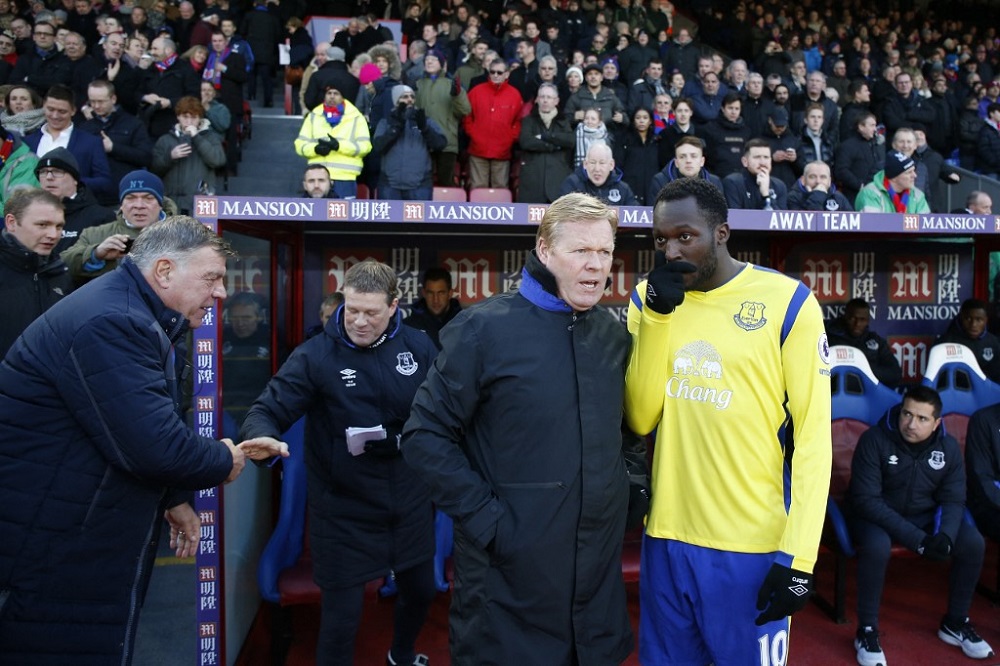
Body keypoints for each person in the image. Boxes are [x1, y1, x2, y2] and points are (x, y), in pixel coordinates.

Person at [0, 215, 287, 663]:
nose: (222, 293)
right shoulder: (114, 322)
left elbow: (123, 426)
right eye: (211, 278)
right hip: (56, 550)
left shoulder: (130, 313)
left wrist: (173, 497)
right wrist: (223, 458)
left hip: (72, 536)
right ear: (165, 271)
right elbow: (154, 445)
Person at [402, 192, 638, 664]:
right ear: (545, 250)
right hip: (505, 600)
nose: (596, 266)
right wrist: (492, 524)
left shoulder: (613, 336)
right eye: (581, 251)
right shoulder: (482, 331)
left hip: (596, 606)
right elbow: (424, 436)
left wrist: (630, 492)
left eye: (605, 252)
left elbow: (626, 433)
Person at [624, 176, 830, 664]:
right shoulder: (647, 299)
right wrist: (655, 318)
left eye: (685, 236)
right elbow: (640, 415)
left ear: (721, 232)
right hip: (667, 539)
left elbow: (814, 438)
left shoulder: (789, 303)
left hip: (752, 547)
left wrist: (800, 558)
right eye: (661, 240)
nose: (672, 251)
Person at [240, 260, 438, 666]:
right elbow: (268, 408)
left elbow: (443, 413)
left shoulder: (419, 346)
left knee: (421, 592)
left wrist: (404, 439)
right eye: (352, 309)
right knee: (341, 621)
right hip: (343, 510)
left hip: (409, 503)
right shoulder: (316, 355)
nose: (359, 321)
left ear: (394, 306)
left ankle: (401, 655)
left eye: (371, 312)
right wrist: (260, 432)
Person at [848, 386, 994, 666]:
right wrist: (920, 540)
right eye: (906, 414)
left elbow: (953, 498)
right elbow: (866, 500)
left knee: (972, 542)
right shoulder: (874, 439)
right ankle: (866, 630)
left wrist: (946, 537)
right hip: (875, 517)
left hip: (923, 516)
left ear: (937, 422)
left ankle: (955, 623)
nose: (911, 424)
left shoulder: (948, 447)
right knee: (877, 547)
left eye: (922, 419)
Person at [60, 169, 170, 283]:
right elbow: (63, 265)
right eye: (130, 198)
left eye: (148, 198)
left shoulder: (182, 232)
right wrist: (95, 254)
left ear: (160, 204)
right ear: (121, 205)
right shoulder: (94, 234)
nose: (139, 205)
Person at [0, 187, 71, 358]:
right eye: (42, 225)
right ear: (11, 223)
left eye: (59, 226)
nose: (53, 235)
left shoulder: (60, 273)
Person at [24, 84, 114, 202]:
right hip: (33, 207)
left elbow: (105, 182)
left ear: (73, 111)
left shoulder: (91, 142)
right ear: (43, 107)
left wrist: (72, 181)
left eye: (62, 111)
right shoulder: (27, 141)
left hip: (75, 210)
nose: (55, 116)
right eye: (50, 109)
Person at [79, 79, 155, 207]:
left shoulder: (133, 124)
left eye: (101, 101)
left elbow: (146, 157)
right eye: (92, 101)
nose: (96, 106)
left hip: (124, 197)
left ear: (113, 99)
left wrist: (113, 148)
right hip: (93, 199)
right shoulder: (85, 127)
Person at [294, 83, 371, 200]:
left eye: (336, 93)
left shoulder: (356, 117)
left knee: (343, 216)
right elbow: (300, 145)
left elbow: (365, 147)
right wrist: (315, 149)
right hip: (317, 178)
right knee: (316, 216)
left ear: (343, 97)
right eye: (329, 93)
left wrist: (339, 146)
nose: (332, 96)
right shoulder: (314, 115)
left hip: (345, 178)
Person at [151, 95, 225, 214]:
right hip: (170, 203)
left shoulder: (211, 137)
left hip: (199, 203)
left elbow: (218, 160)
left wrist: (197, 138)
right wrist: (170, 157)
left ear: (200, 118)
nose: (189, 122)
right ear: (178, 117)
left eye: (194, 117)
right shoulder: (165, 140)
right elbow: (154, 169)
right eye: (185, 117)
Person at [371, 84, 447, 200]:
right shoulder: (385, 122)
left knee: (419, 219)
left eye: (412, 96)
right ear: (396, 101)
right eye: (404, 97)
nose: (410, 99)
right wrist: (396, 127)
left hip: (420, 186)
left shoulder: (425, 121)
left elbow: (440, 144)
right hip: (390, 186)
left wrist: (425, 128)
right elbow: (378, 146)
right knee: (391, 219)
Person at [35, 147, 115, 255]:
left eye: (57, 171)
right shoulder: (29, 215)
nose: (49, 177)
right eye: (43, 172)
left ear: (75, 180)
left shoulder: (101, 217)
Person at [463, 59, 522, 190]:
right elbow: (467, 116)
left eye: (499, 72)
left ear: (507, 74)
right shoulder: (476, 91)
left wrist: (510, 138)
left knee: (500, 190)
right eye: (492, 72)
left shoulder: (515, 95)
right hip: (478, 149)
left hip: (502, 150)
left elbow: (518, 121)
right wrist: (473, 133)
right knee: (477, 190)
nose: (495, 75)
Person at [222, 291, 271, 437]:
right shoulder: (220, 337)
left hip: (262, 407)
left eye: (246, 317)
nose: (241, 323)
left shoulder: (272, 339)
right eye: (235, 318)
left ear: (258, 317)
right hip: (225, 406)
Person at [825, 298, 901, 387]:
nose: (857, 324)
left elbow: (895, 374)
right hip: (834, 395)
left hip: (868, 396)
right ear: (845, 317)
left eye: (862, 320)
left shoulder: (875, 342)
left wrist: (863, 369)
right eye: (853, 318)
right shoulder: (828, 338)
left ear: (868, 321)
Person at [138, 36, 201, 139]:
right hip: (151, 126)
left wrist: (170, 103)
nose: (152, 52)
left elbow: (194, 97)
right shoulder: (150, 69)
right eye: (151, 48)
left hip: (176, 126)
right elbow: (137, 92)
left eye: (155, 49)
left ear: (168, 50)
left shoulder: (185, 69)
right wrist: (145, 98)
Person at [931, 298, 1000, 383]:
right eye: (968, 319)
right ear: (961, 317)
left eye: (979, 320)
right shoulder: (945, 343)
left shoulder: (994, 343)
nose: (973, 324)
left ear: (986, 320)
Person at [559, 141, 638, 204]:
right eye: (592, 162)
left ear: (611, 165)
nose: (597, 169)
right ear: (585, 164)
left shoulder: (623, 189)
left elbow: (637, 218)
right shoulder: (572, 184)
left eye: (602, 163)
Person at [403, 266, 461, 350]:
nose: (436, 300)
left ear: (450, 293)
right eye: (430, 293)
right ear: (424, 293)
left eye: (441, 293)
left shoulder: (464, 324)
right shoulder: (408, 327)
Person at [855, 150, 931, 213]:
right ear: (894, 177)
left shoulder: (917, 195)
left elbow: (925, 228)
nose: (915, 175)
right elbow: (872, 225)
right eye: (909, 172)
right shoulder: (870, 193)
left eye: (913, 171)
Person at [834, 111, 885, 206]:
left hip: (877, 196)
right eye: (872, 125)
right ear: (861, 127)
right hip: (854, 196)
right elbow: (841, 170)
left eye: (875, 125)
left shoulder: (878, 146)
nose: (875, 129)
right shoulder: (847, 146)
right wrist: (860, 185)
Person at [722, 138, 788, 210]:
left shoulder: (779, 186)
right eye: (757, 157)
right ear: (745, 162)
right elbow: (735, 218)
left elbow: (780, 219)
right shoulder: (733, 183)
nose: (762, 162)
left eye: (766, 157)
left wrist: (766, 195)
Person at [787, 160, 853, 212]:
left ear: (829, 181)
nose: (818, 181)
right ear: (803, 180)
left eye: (823, 177)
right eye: (812, 177)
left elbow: (852, 224)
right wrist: (817, 195)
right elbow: (811, 223)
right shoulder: (793, 198)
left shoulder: (838, 197)